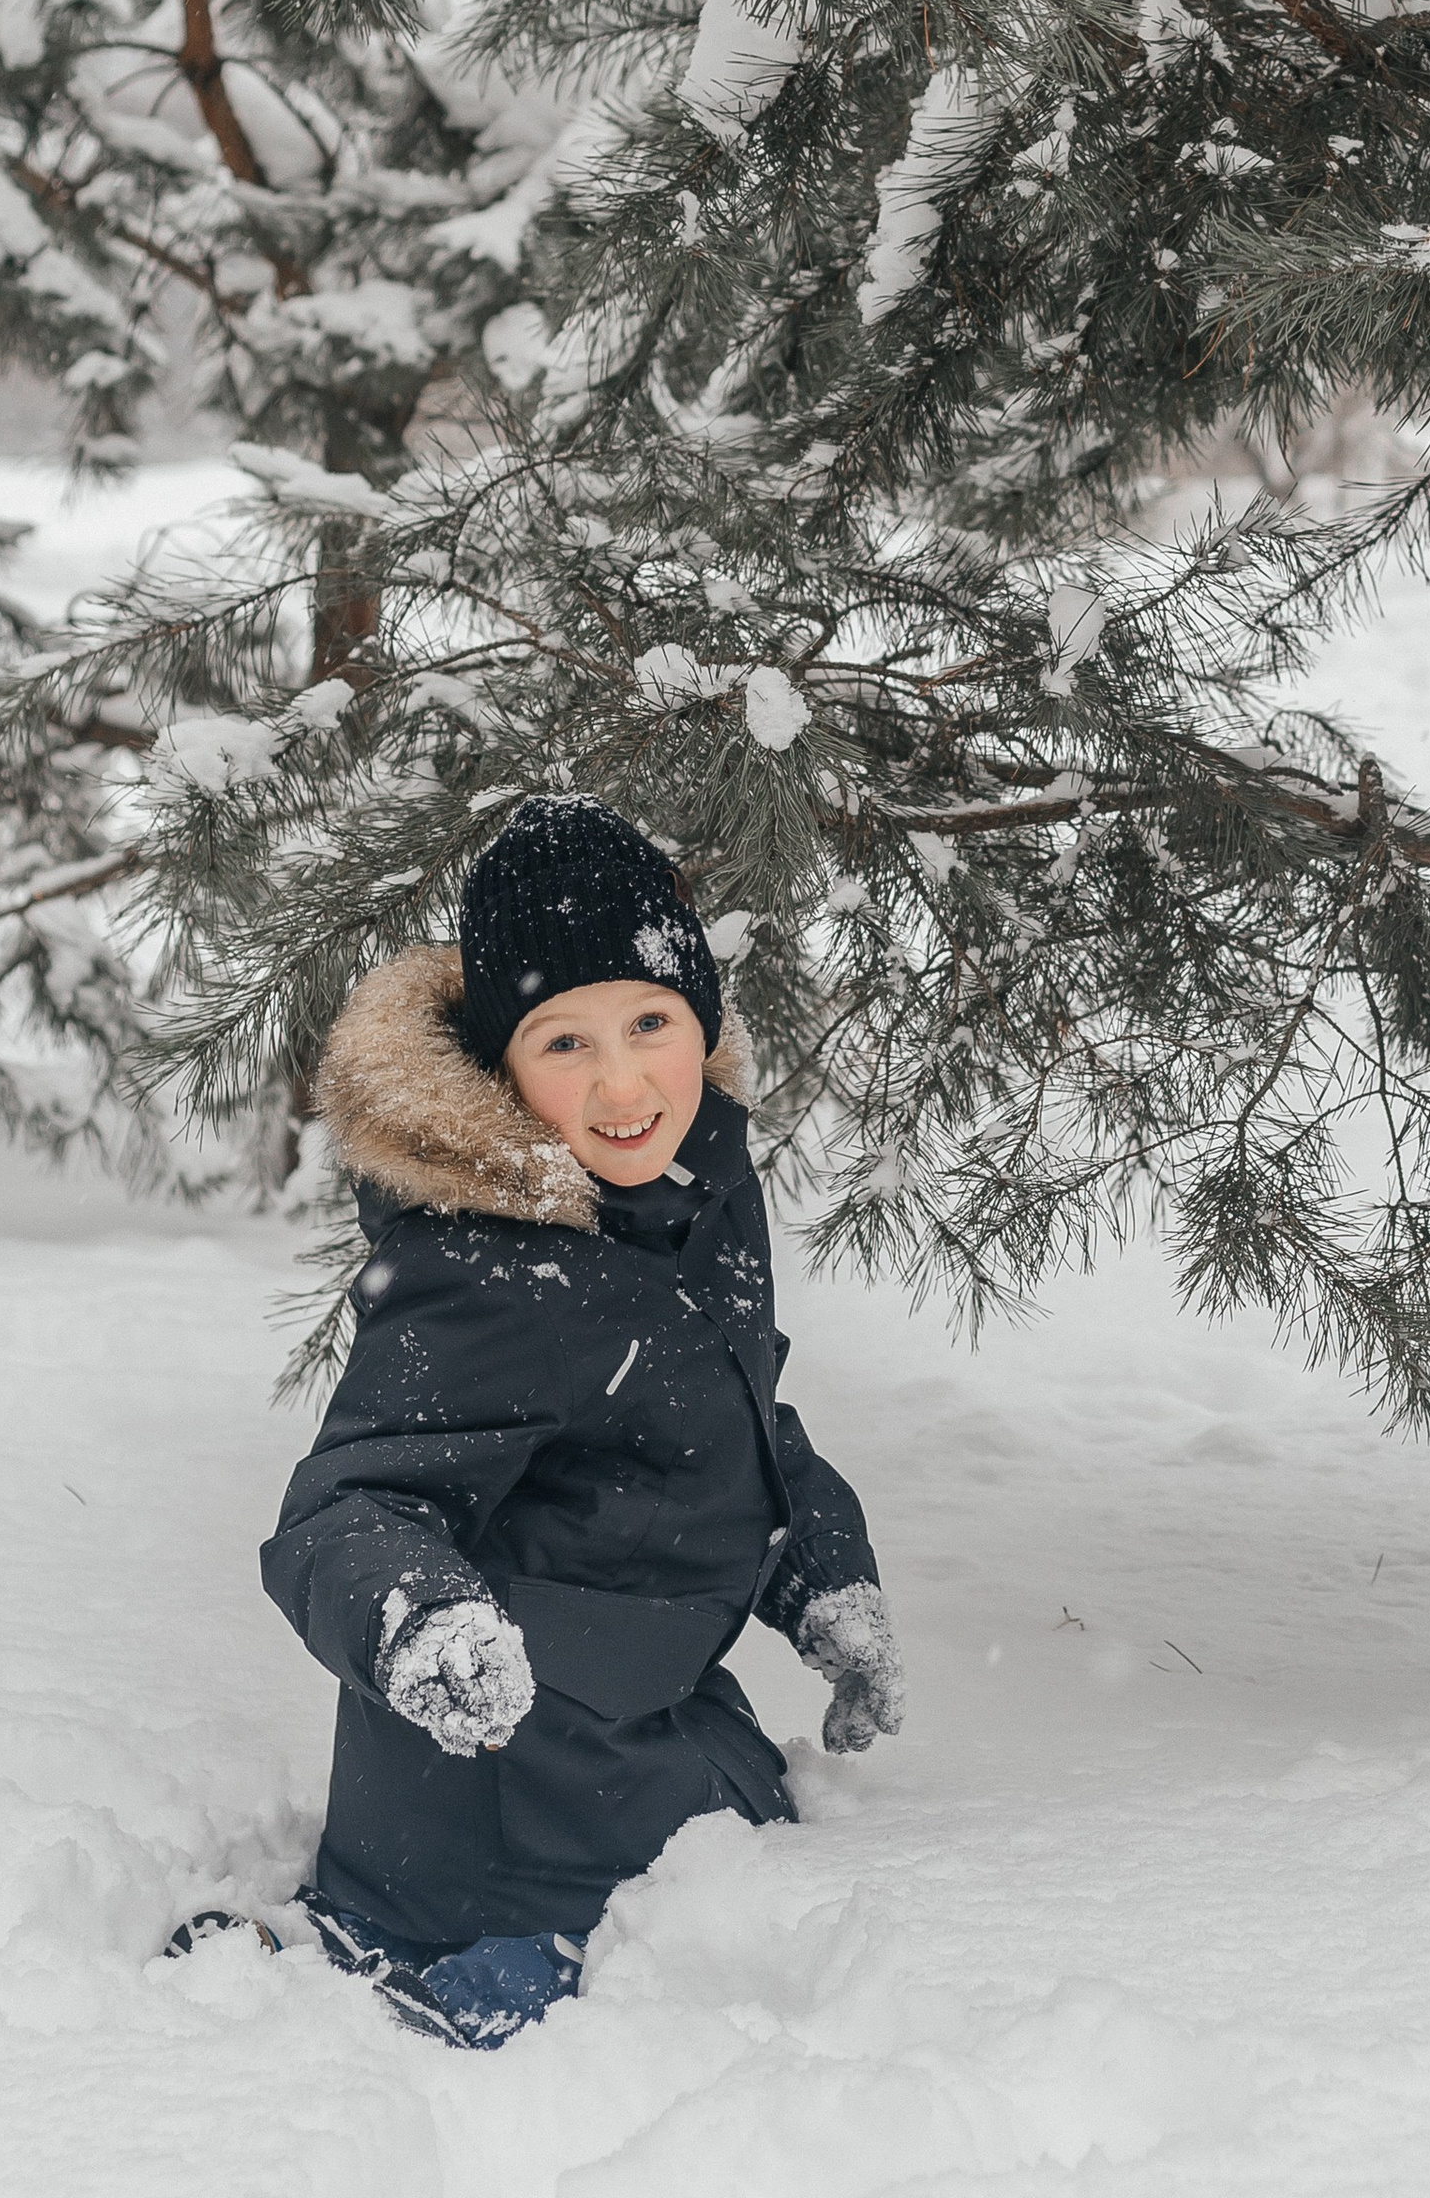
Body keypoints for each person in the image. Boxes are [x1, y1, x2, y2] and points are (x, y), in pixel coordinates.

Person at [187, 796, 901, 2042]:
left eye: (649, 1023)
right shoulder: (485, 1268)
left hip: (648, 1707)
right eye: (564, 1043)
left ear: (702, 1024)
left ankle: (387, 1950)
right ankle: (367, 1987)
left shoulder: (699, 1180)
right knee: (612, 2010)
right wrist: (424, 1622)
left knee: (740, 1850)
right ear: (500, 1066)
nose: (623, 1080)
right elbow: (347, 1507)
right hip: (507, 1788)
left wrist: (821, 1573)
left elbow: (738, 1414)